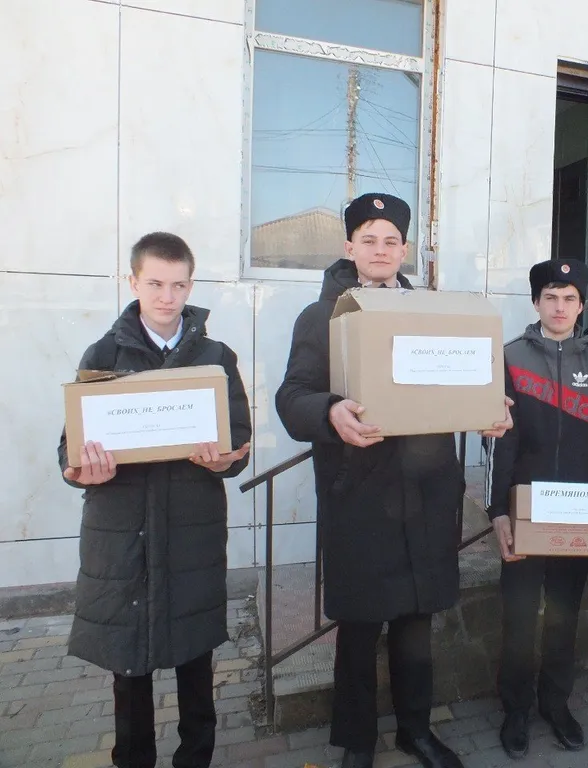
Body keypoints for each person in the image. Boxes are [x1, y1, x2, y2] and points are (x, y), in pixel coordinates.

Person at [275, 193, 513, 768]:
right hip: (358, 494)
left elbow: (462, 379)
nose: (380, 250)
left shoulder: (432, 312)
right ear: (349, 247)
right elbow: (292, 397)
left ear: (405, 250)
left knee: (415, 622)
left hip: (426, 493)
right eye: (369, 240)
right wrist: (330, 411)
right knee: (359, 627)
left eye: (391, 241)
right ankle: (358, 742)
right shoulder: (321, 317)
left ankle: (415, 731)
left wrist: (490, 405)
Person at [57, 232, 252, 768]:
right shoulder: (104, 354)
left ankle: (197, 757)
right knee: (129, 667)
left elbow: (238, 437)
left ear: (191, 285)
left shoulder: (215, 357)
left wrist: (225, 460)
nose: (168, 297)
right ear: (133, 282)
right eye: (156, 284)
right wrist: (81, 469)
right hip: (123, 534)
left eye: (179, 285)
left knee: (195, 660)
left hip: (191, 532)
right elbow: (70, 445)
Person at [485, 259, 588, 759]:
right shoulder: (508, 358)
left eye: (569, 298)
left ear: (581, 305)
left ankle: (555, 703)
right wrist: (497, 512)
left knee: (563, 616)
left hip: (581, 514)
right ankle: (515, 709)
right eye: (550, 297)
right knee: (519, 618)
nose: (559, 307)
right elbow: (496, 444)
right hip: (525, 517)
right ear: (536, 302)